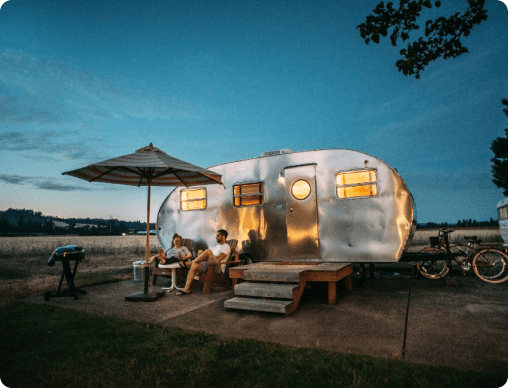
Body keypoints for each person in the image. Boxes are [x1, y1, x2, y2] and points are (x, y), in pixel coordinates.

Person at [176, 229, 230, 295]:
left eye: (218, 235)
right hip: (209, 265)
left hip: (217, 268)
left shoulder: (226, 247)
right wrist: (201, 256)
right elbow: (211, 258)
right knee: (195, 265)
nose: (216, 237)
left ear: (223, 236)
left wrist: (205, 256)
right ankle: (186, 289)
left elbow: (218, 259)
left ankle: (189, 263)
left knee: (208, 251)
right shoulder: (218, 246)